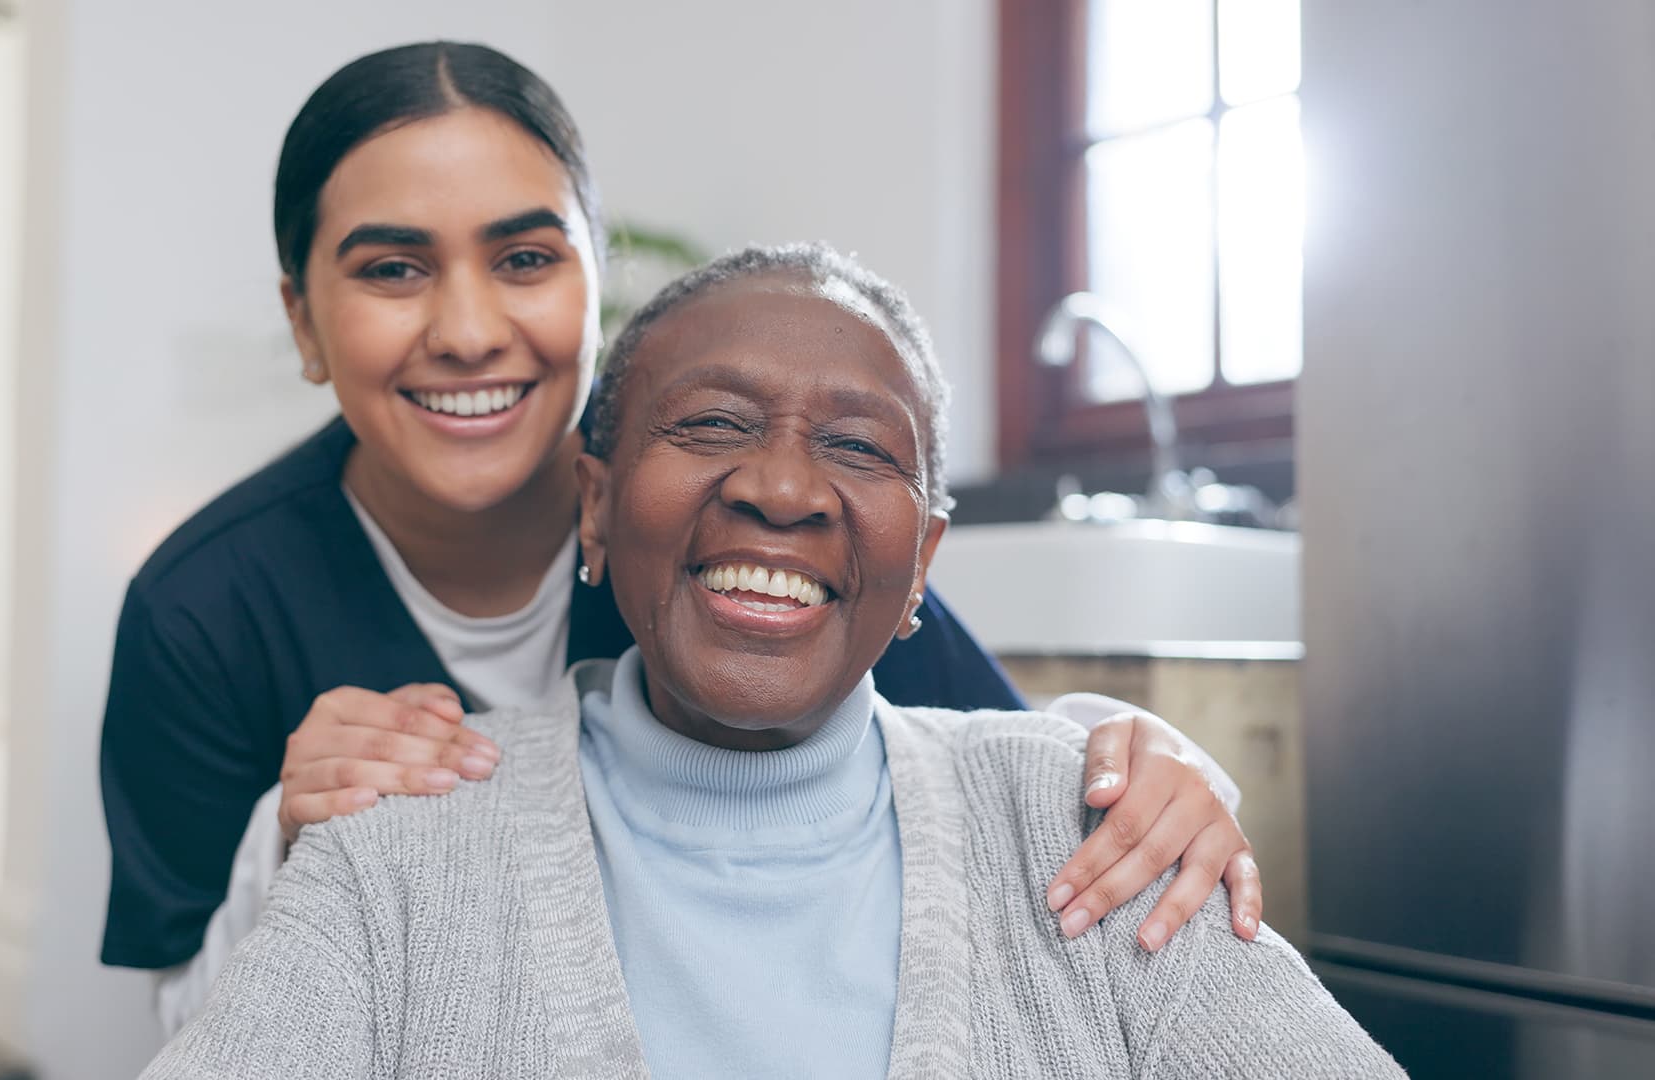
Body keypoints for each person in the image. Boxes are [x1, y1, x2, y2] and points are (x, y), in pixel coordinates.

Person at [98, 42, 1262, 1033]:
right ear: (304, 320)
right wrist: (286, 842)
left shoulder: (726, 533)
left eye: (525, 259)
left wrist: (1146, 758)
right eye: (393, 269)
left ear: (593, 286)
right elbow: (192, 1028)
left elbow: (1000, 779)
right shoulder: (203, 607)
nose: (465, 329)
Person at [141, 244, 1400, 1079]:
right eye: (710, 425)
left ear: (924, 564)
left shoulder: (1097, 839)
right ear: (593, 504)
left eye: (858, 447)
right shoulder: (405, 842)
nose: (784, 488)